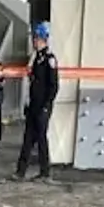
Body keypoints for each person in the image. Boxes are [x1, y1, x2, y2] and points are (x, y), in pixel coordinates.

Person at [16, 23, 60, 183]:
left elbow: (53, 85)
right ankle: (20, 171)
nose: (34, 42)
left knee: (41, 138)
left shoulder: (49, 59)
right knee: (28, 138)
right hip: (34, 105)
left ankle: (45, 172)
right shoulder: (37, 59)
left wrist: (47, 106)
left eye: (36, 39)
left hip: (42, 107)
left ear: (42, 39)